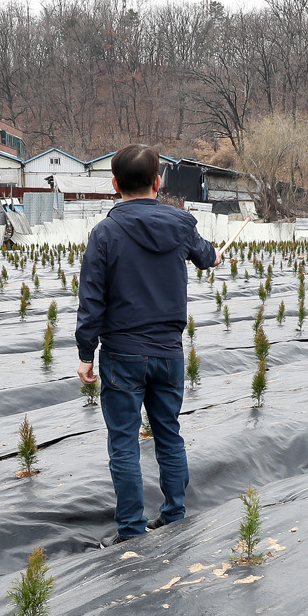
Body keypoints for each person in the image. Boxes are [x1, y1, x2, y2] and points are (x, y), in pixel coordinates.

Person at [76, 145, 218, 542]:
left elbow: (92, 298)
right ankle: (174, 515)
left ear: (114, 185)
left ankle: (131, 530)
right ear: (158, 183)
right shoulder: (182, 224)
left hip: (122, 355)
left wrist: (86, 353)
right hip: (169, 353)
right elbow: (206, 257)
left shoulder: (105, 232)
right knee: (168, 434)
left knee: (123, 444)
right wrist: (213, 258)